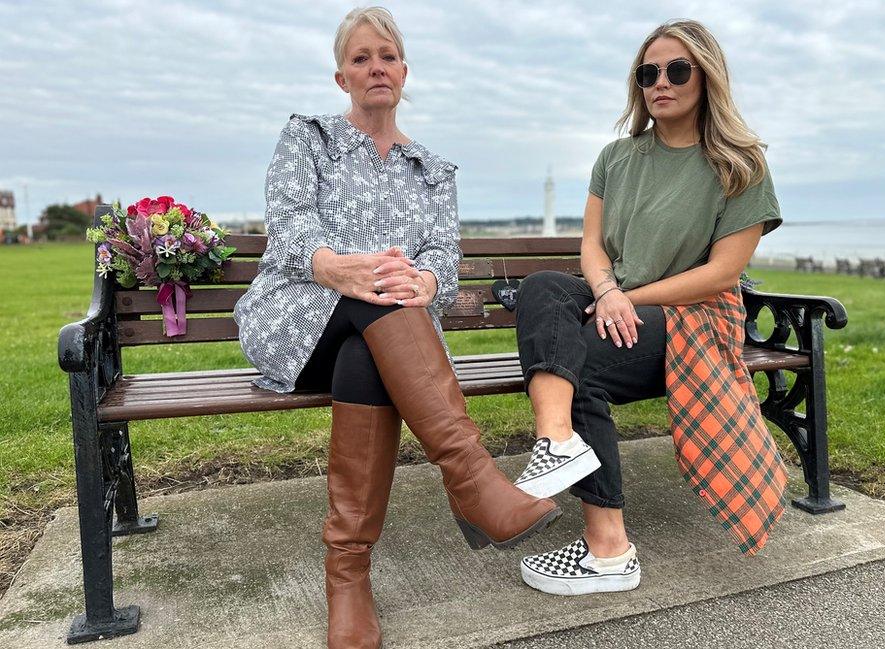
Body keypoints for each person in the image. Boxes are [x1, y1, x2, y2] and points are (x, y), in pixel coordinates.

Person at [232, 7, 560, 647]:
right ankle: (473, 483)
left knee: (370, 350)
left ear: (404, 72)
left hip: (382, 341)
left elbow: (442, 255)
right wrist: (339, 269)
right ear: (341, 78)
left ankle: (347, 576)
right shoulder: (310, 139)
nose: (375, 66)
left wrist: (429, 282)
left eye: (386, 56)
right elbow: (290, 227)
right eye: (361, 58)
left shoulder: (433, 170)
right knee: (381, 290)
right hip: (297, 318)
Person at [511, 19, 788, 596]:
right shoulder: (616, 157)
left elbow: (721, 273)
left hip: (695, 314)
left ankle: (609, 551)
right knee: (541, 285)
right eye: (648, 73)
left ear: (706, 77)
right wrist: (607, 291)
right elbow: (591, 246)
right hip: (619, 297)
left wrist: (622, 298)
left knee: (579, 358)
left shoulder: (740, 166)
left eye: (677, 70)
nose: (661, 82)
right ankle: (556, 439)